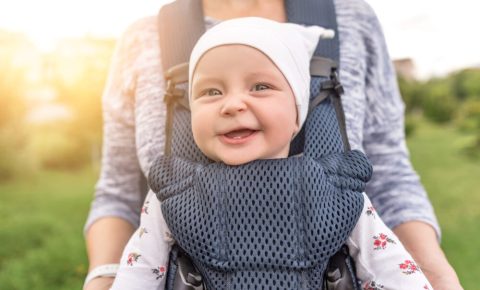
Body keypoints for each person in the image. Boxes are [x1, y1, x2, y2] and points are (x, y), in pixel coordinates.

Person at [83, 1, 462, 290]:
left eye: (261, 87)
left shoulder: (340, 195)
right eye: (211, 92)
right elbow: (121, 204)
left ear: (299, 111)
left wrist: (436, 277)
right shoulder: (172, 199)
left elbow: (390, 194)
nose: (233, 104)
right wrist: (103, 277)